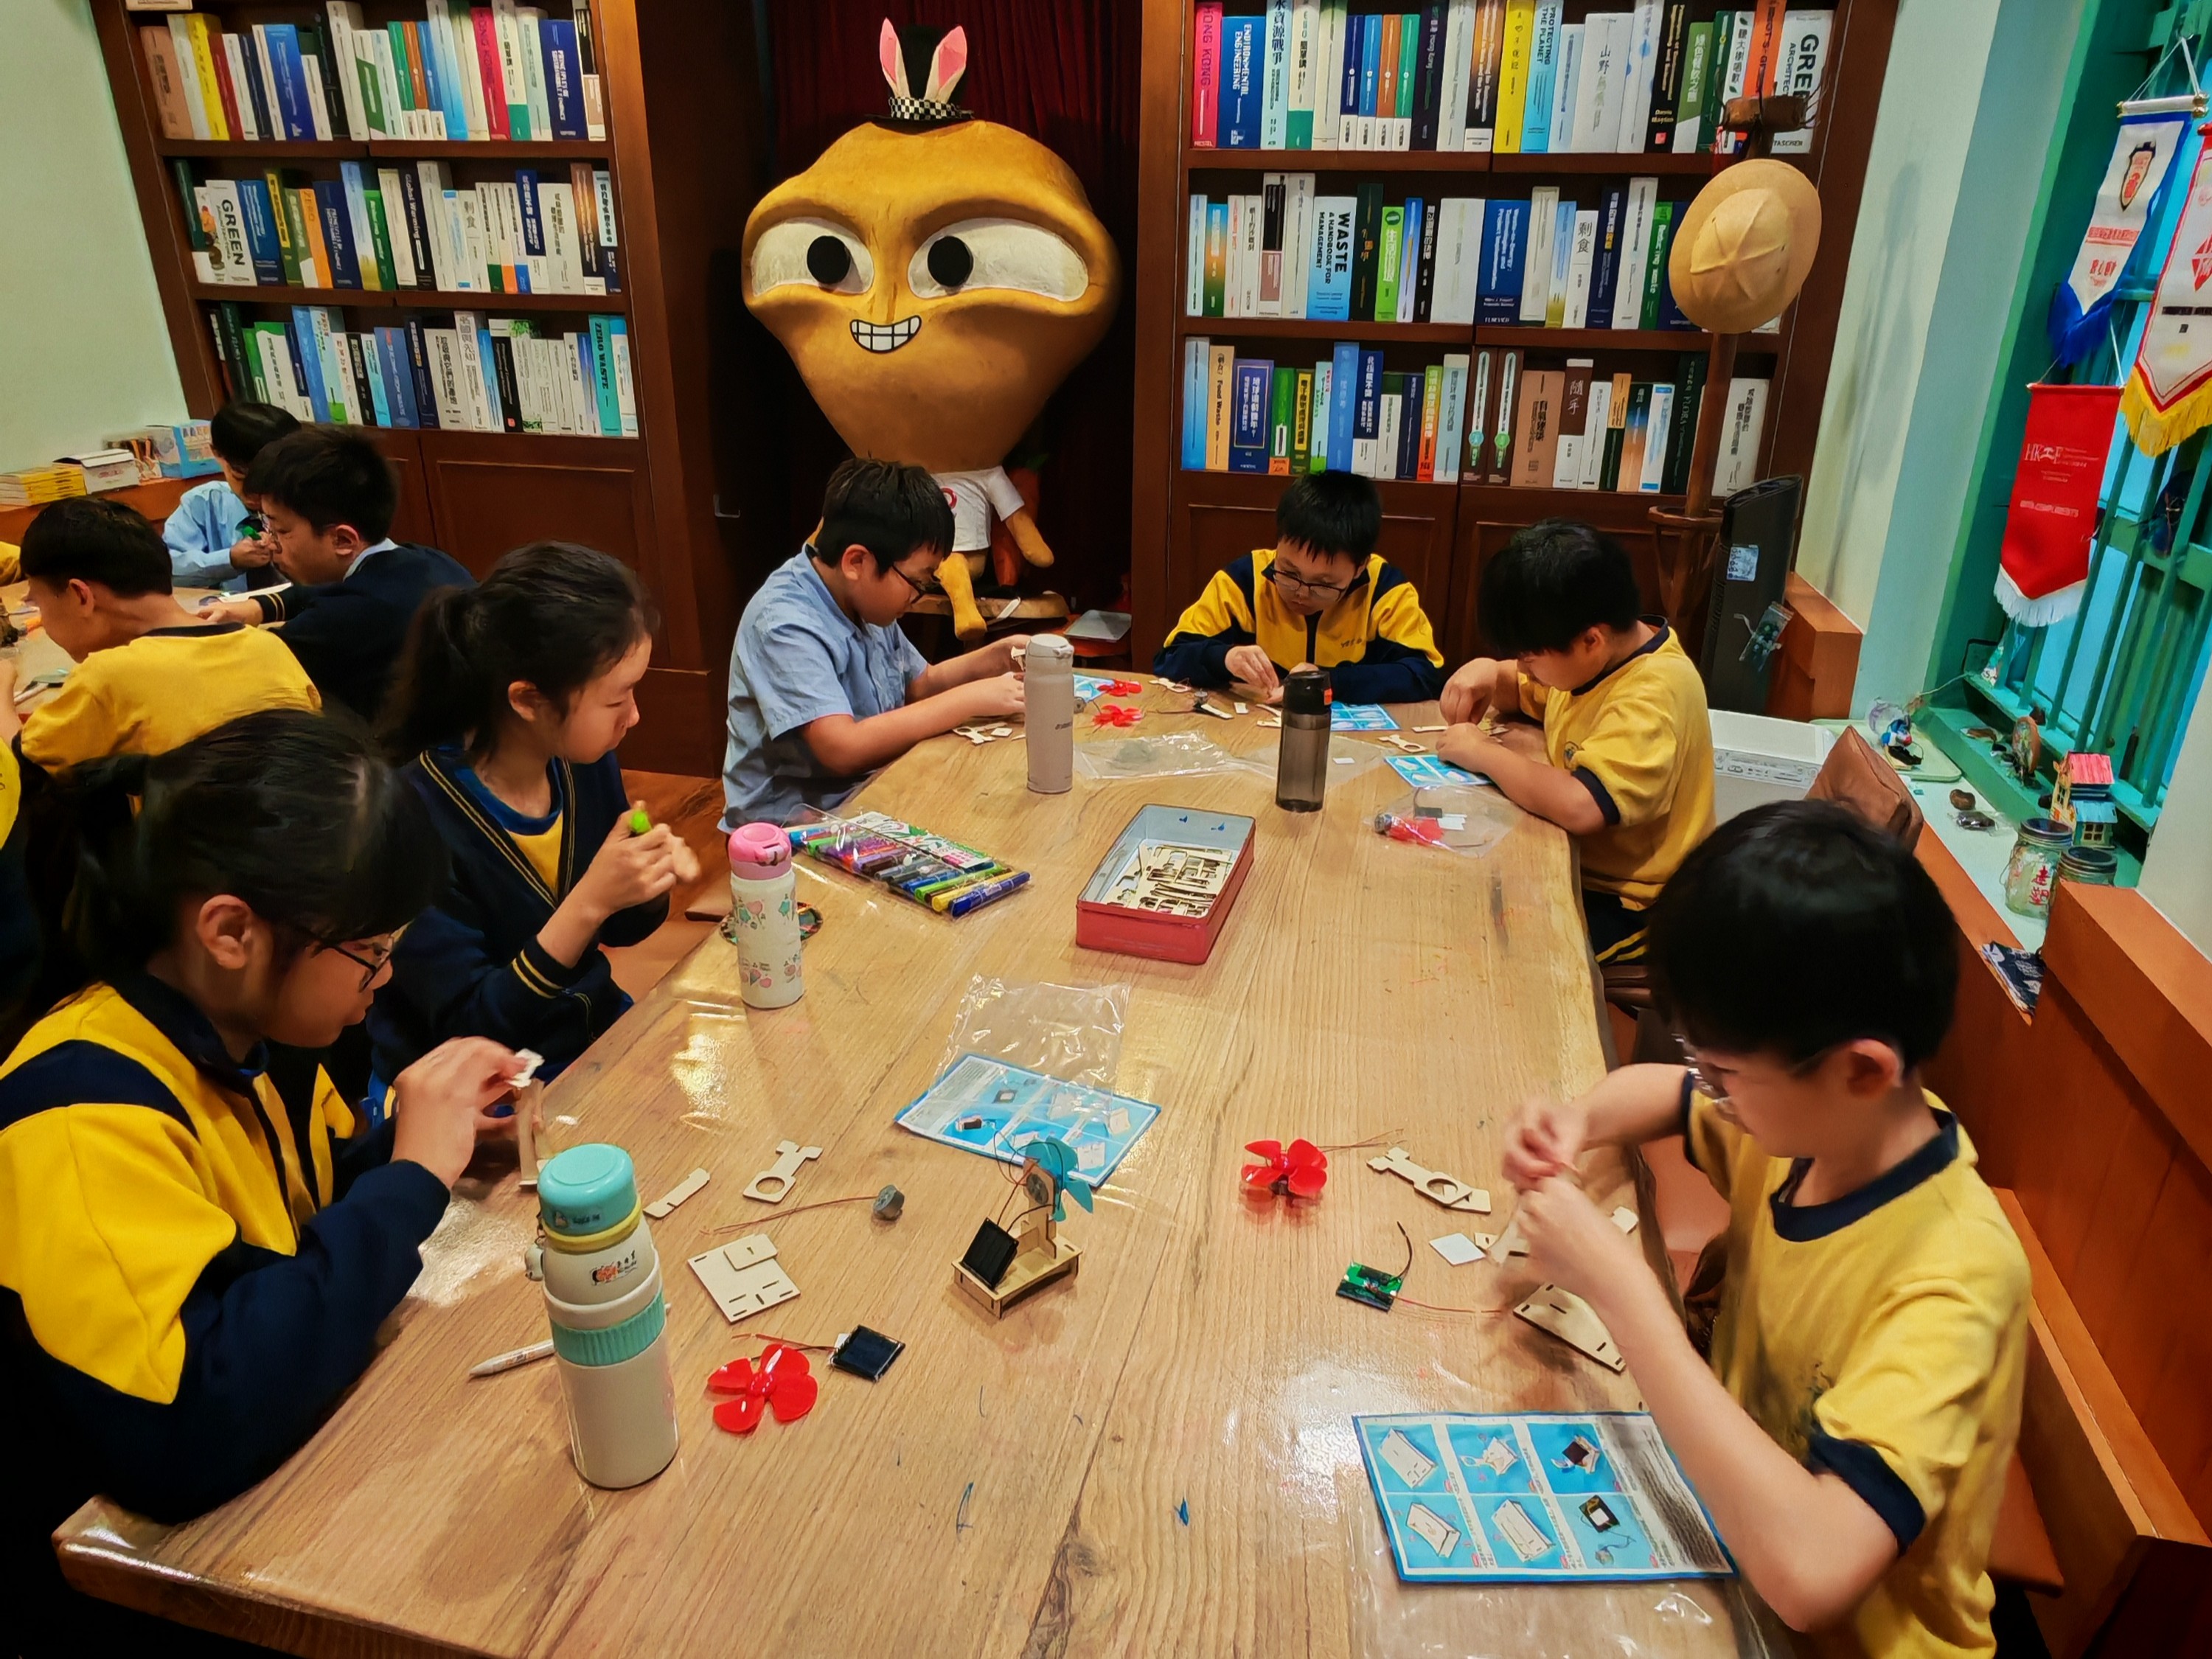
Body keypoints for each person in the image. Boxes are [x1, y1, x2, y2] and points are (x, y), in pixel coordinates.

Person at [0, 710, 526, 1658]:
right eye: (370, 951)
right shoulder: (80, 1109)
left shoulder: (254, 1033)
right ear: (231, 931)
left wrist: (426, 1144)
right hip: (159, 1573)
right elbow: (185, 1426)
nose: (386, 978)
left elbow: (301, 1213)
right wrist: (411, 1176)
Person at [1505, 801, 2028, 1655]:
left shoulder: (1955, 1275)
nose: (1712, 1092)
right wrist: (1577, 1123)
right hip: (1727, 1543)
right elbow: (1667, 1095)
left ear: (1862, 1069)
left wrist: (1623, 1291)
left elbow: (1809, 1577)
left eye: (1727, 1073)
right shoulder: (1810, 1126)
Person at [372, 541, 698, 1087]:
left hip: (587, 1037)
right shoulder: (414, 818)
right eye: (617, 700)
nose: (635, 716)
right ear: (527, 700)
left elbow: (619, 928)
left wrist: (644, 883)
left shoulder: (579, 762)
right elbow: (473, 1025)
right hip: (482, 1086)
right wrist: (590, 900)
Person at [1436, 519, 1712, 964]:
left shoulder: (1652, 696)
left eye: (1529, 656)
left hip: (1639, 906)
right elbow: (1526, 690)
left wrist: (1483, 753)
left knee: (1499, 954)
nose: (1522, 667)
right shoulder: (1595, 660)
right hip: (1576, 867)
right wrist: (1487, 672)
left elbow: (1581, 805)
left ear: (1590, 641)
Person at [722, 457, 1028, 827]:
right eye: (918, 582)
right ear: (857, 562)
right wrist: (971, 700)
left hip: (872, 790)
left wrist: (996, 657)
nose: (918, 595)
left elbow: (921, 684)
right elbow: (842, 748)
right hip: (790, 827)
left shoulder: (864, 600)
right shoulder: (783, 623)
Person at [2, 497, 320, 773]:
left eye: (37, 600)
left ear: (80, 595)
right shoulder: (268, 647)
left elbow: (29, 765)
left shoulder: (108, 677)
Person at [202, 425, 473, 722]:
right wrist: (258, 607)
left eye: (281, 530)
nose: (271, 543)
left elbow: (245, 667)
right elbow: (328, 592)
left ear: (343, 540)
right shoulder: (429, 560)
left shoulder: (341, 619)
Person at [1152, 470, 1444, 703]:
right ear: (1278, 542)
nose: (1302, 593)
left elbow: (1426, 675)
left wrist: (1328, 682)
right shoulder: (1245, 580)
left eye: (1324, 584)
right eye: (1289, 573)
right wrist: (1225, 658)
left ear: (1360, 567)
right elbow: (1170, 657)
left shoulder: (1385, 590)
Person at [162, 400, 299, 593]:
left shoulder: (305, 501)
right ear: (217, 454)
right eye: (240, 477)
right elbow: (165, 570)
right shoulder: (203, 502)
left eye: (267, 480)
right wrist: (230, 559)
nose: (255, 493)